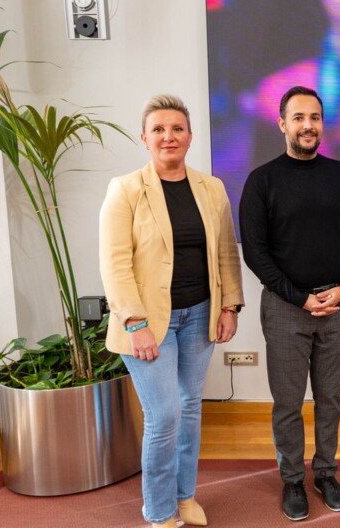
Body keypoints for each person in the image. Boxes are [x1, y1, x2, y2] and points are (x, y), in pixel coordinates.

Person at [99, 95, 244, 528]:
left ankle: (184, 497)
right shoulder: (125, 189)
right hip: (147, 323)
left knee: (190, 407)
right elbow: (114, 263)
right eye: (159, 129)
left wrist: (229, 305)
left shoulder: (211, 187)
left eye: (177, 128)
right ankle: (158, 510)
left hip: (200, 314)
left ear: (190, 136)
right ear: (145, 138)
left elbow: (224, 254)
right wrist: (135, 323)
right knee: (164, 416)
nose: (169, 136)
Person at [239, 86, 340, 521]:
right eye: (298, 118)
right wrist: (299, 297)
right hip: (284, 308)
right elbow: (254, 252)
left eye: (314, 117)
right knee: (288, 402)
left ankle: (325, 473)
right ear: (282, 124)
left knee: (331, 398)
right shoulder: (262, 180)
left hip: (336, 304)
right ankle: (292, 479)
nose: (307, 125)